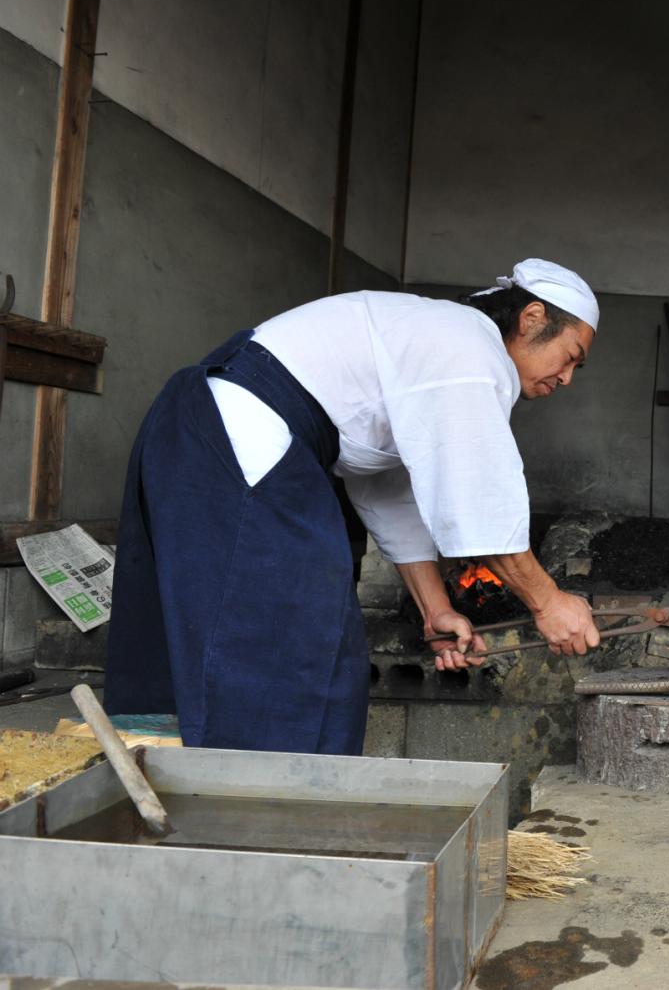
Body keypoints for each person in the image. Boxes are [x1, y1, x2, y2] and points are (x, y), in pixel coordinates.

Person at [104, 259, 604, 754]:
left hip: (201, 427)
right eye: (570, 356)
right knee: (294, 643)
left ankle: (176, 773)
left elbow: (387, 488)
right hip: (240, 437)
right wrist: (548, 602)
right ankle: (264, 801)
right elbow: (481, 496)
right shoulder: (471, 349)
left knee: (205, 627)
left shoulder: (434, 341)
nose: (567, 379)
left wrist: (435, 609)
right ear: (533, 317)